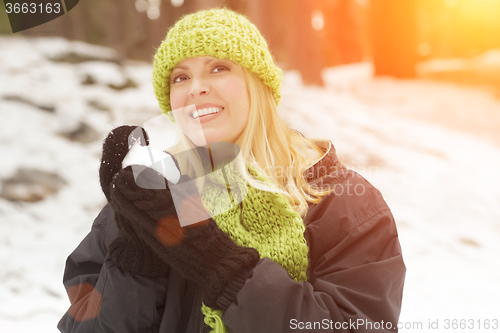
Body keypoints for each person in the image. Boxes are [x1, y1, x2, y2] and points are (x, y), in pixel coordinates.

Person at [57, 8, 405, 333]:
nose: (196, 88)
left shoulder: (343, 203)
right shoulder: (148, 197)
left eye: (219, 68)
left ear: (259, 85)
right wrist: (136, 248)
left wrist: (225, 267)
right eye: (180, 77)